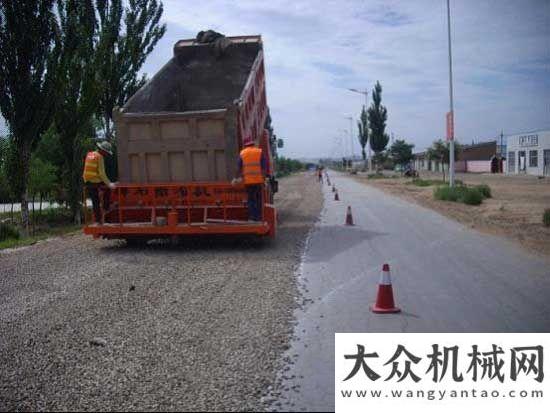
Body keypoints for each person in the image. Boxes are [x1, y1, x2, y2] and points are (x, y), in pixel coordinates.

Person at [83, 141, 116, 224]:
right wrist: (109, 184)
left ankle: (98, 220)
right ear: (103, 151)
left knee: (95, 201)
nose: (106, 154)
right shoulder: (100, 157)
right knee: (107, 189)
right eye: (106, 153)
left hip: (87, 180)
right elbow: (102, 173)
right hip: (95, 181)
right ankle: (106, 207)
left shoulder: (89, 154)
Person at [238, 140, 267, 221]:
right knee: (258, 199)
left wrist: (238, 177)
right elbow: (264, 167)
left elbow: (239, 167)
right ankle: (260, 217)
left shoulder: (242, 153)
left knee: (251, 200)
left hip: (248, 181)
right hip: (258, 181)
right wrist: (263, 179)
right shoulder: (259, 152)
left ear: (245, 145)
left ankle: (252, 217)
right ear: (253, 144)